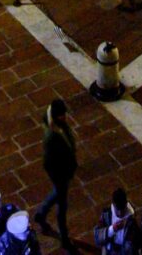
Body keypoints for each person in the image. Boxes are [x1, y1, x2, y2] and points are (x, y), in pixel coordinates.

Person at [34, 99, 80, 250]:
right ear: (55, 116)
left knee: (57, 194)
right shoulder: (51, 137)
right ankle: (64, 238)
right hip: (60, 174)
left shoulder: (59, 126)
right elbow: (47, 163)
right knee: (62, 206)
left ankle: (40, 214)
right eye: (62, 115)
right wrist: (59, 177)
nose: (65, 117)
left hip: (65, 172)